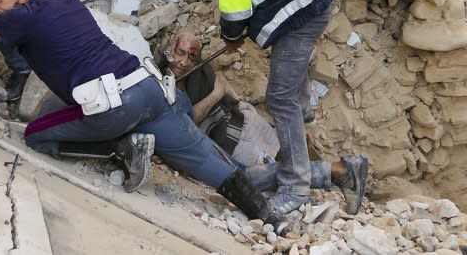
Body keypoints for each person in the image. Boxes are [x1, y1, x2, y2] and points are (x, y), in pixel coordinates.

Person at [0, 0, 288, 229]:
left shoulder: (20, 17)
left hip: (115, 105)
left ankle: (122, 148)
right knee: (208, 163)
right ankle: (269, 217)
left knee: (37, 133)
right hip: (150, 89)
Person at [186, 0, 368, 214]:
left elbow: (234, 13)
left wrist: (231, 38)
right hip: (318, 0)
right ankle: (303, 116)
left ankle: (295, 187)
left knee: (280, 98)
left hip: (298, 18)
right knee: (291, 90)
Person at [156, 31, 368, 214]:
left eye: (191, 58)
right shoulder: (164, 74)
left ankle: (339, 170)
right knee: (268, 172)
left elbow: (188, 118)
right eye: (179, 53)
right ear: (169, 50)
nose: (183, 62)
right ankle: (336, 171)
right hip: (238, 127)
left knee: (249, 177)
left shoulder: (198, 75)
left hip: (238, 136)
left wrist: (221, 95)